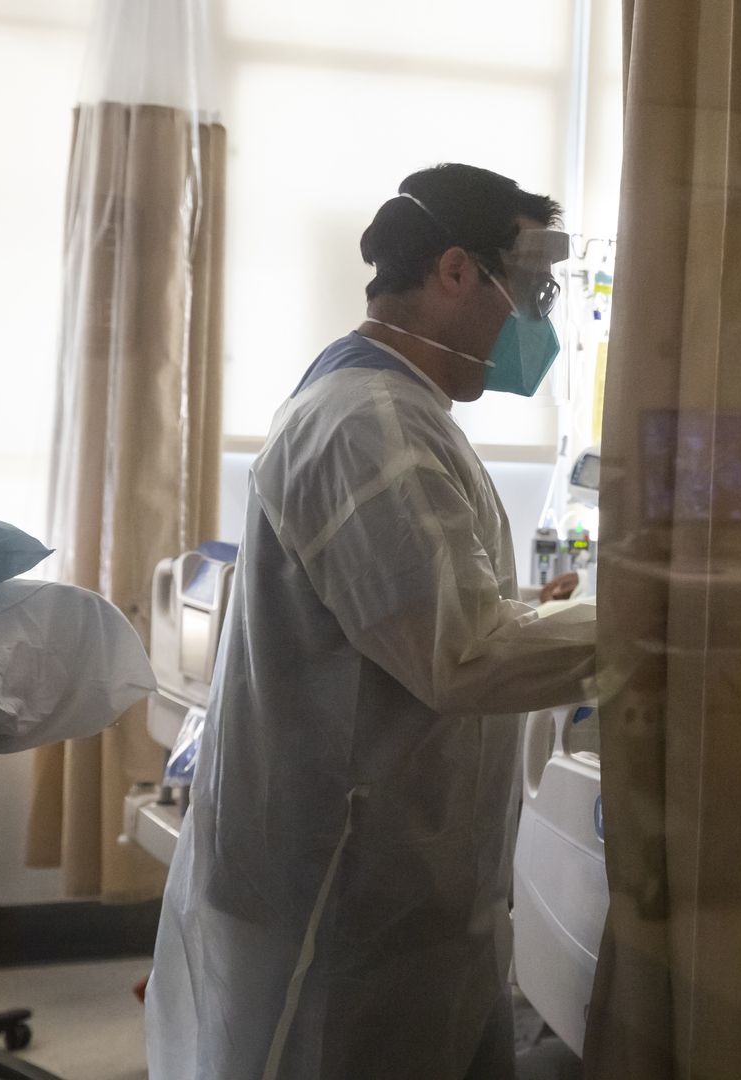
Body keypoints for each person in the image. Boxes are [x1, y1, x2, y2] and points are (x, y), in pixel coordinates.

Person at [147, 164, 597, 1080]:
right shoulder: (368, 422)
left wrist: (529, 612)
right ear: (458, 272)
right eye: (535, 288)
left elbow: (423, 613)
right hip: (344, 911)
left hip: (403, 895)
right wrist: (651, 622)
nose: (540, 322)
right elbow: (461, 658)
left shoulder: (395, 409)